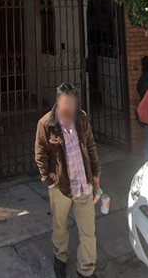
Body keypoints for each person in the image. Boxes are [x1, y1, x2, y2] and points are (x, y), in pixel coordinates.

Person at [35, 82, 101, 278]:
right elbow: (41, 155)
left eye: (72, 102)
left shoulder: (81, 118)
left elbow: (90, 145)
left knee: (88, 231)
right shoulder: (46, 124)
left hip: (83, 184)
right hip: (61, 187)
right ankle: (60, 258)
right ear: (58, 101)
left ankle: (86, 269)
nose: (69, 106)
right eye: (65, 102)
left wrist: (95, 173)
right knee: (60, 227)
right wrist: (49, 180)